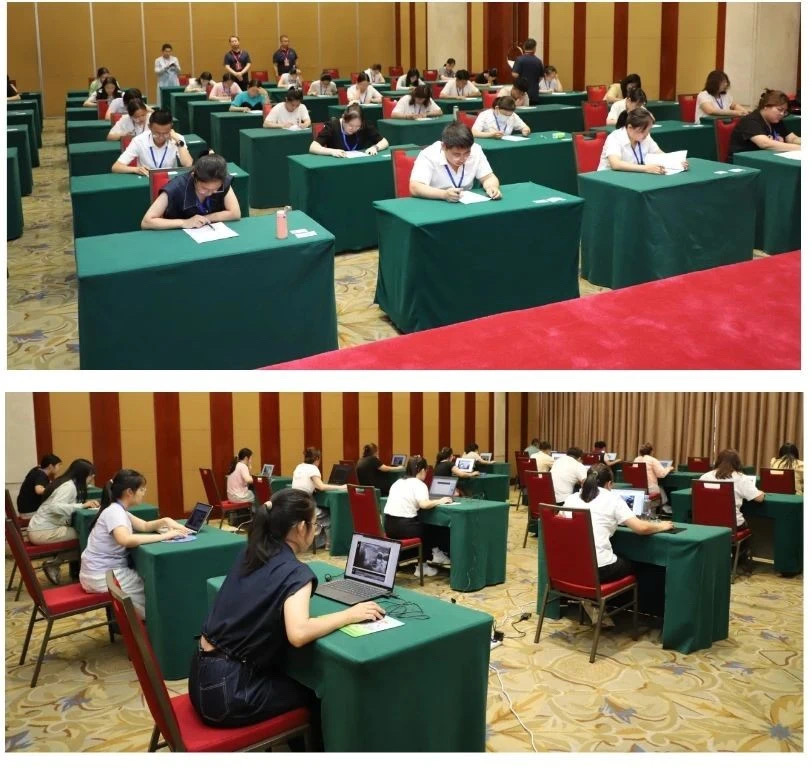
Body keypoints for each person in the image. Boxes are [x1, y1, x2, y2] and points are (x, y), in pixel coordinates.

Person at [189, 488, 381, 740]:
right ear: (301, 528)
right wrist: (350, 615)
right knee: (319, 692)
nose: (315, 531)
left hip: (201, 678)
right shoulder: (295, 572)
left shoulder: (251, 552)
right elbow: (298, 633)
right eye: (314, 525)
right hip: (227, 694)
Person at [79, 469, 191, 618]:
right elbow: (125, 540)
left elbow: (144, 526)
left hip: (99, 572)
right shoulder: (115, 512)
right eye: (142, 489)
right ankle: (154, 625)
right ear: (129, 492)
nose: (144, 492)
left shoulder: (118, 509)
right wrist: (166, 536)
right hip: (102, 577)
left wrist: (166, 520)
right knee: (155, 587)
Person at [563, 464, 673, 596]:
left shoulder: (571, 498)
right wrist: (662, 526)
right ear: (609, 484)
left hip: (570, 566)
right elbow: (641, 528)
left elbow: (559, 522)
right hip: (599, 569)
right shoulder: (612, 499)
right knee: (640, 564)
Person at [27, 459, 98, 583]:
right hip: (43, 532)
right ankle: (55, 563)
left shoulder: (65, 482)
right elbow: (54, 507)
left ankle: (56, 563)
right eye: (90, 475)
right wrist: (81, 506)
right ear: (82, 475)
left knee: (87, 534)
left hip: (40, 528)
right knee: (88, 536)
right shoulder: (68, 487)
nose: (92, 478)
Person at [383, 456, 453, 577]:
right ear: (422, 470)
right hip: (405, 528)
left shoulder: (397, 482)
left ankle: (433, 555)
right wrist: (440, 501)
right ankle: (426, 563)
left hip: (389, 526)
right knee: (431, 527)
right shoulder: (419, 484)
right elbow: (424, 504)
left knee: (422, 525)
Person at [141, 153, 240, 229]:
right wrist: (184, 222)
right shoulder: (175, 187)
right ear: (194, 177)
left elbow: (235, 213)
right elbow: (146, 222)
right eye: (204, 188)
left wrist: (205, 218)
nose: (209, 193)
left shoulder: (221, 180)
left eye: (215, 189)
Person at [410, 121, 501, 201]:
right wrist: (443, 194)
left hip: (467, 203)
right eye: (457, 154)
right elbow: (415, 187)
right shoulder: (428, 154)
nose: (462, 158)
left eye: (467, 153)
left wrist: (491, 187)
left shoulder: (476, 149)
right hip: (436, 202)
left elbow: (488, 177)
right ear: (443, 147)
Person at [598, 107, 688, 173]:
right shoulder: (615, 137)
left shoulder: (646, 137)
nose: (646, 134)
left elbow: (659, 153)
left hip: (632, 176)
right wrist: (646, 168)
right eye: (642, 131)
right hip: (608, 178)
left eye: (648, 130)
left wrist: (676, 162)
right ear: (630, 127)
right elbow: (615, 164)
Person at [112, 109, 192, 176]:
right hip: (147, 180)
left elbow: (188, 164)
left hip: (170, 181)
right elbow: (116, 167)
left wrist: (178, 141)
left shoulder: (178, 139)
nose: (161, 137)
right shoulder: (139, 140)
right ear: (149, 127)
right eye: (157, 133)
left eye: (165, 133)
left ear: (171, 127)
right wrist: (136, 169)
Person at [727, 89, 801, 159]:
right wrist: (800, 148)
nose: (782, 114)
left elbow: (792, 138)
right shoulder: (750, 120)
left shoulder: (776, 120)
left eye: (784, 111)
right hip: (742, 162)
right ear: (766, 106)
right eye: (779, 109)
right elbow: (765, 144)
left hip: (766, 159)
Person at [699, 449, 764, 528]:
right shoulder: (742, 478)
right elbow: (759, 499)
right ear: (737, 463)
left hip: (706, 523)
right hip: (732, 525)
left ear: (718, 461)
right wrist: (761, 492)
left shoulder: (705, 476)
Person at [309, 104, 388, 157]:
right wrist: (332, 151)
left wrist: (375, 147)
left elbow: (384, 142)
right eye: (350, 125)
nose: (354, 129)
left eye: (357, 126)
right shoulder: (332, 126)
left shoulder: (364, 125)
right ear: (343, 118)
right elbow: (313, 147)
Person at [225, 448, 271, 514]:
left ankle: (252, 513)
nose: (251, 460)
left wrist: (249, 468)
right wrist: (258, 478)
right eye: (251, 458)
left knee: (251, 491)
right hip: (238, 497)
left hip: (231, 496)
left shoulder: (236, 465)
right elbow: (248, 480)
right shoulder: (243, 466)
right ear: (246, 458)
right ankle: (258, 514)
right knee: (256, 494)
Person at [633, 442, 676, 512]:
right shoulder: (652, 460)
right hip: (650, 490)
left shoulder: (636, 459)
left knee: (660, 488)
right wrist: (669, 468)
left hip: (638, 488)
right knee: (661, 488)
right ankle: (665, 507)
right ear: (651, 451)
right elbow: (661, 474)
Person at [511, 38, 544, 104]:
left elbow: (514, 74)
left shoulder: (519, 59)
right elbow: (541, 77)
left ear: (524, 47)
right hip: (534, 93)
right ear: (534, 48)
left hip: (521, 93)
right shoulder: (538, 61)